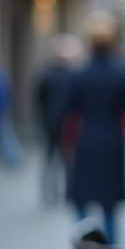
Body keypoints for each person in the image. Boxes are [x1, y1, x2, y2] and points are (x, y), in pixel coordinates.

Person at [62, 14, 125, 244]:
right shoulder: (123, 73)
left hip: (87, 137)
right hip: (113, 137)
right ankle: (110, 248)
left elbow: (69, 109)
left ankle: (89, 242)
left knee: (82, 196)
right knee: (110, 201)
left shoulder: (79, 74)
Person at [35, 34, 82, 206]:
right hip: (67, 124)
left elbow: (38, 98)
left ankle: (48, 191)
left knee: (50, 158)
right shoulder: (74, 76)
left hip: (50, 122)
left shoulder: (46, 74)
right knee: (68, 159)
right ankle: (68, 191)